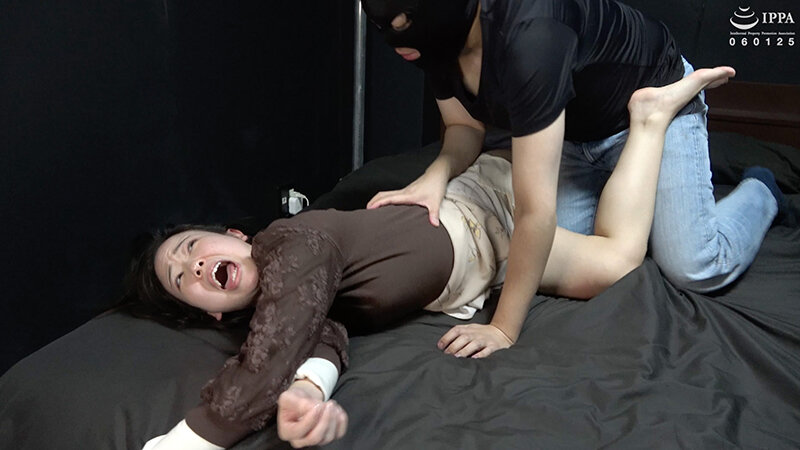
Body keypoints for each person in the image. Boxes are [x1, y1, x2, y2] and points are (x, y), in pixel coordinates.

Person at [135, 70, 738, 449]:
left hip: (484, 211)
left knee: (621, 262)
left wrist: (186, 440)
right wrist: (309, 392)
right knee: (611, 255)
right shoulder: (290, 303)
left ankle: (651, 121)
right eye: (182, 280)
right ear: (211, 313)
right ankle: (627, 139)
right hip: (488, 261)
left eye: (191, 250)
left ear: (237, 236)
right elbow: (322, 335)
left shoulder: (293, 241)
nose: (194, 267)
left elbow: (271, 351)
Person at [361, 0, 790, 361]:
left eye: (402, 23)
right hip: (569, 131)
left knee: (695, 267)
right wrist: (435, 176)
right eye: (383, 26)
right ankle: (645, 136)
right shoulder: (434, 43)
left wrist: (503, 329)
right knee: (557, 262)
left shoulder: (530, 36)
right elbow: (464, 127)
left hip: (653, 90)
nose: (394, 39)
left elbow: (535, 213)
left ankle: (761, 189)